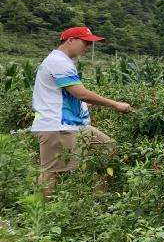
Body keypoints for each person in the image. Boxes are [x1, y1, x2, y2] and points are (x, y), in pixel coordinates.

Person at [31, 26, 133, 195]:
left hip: (75, 125)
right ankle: (40, 215)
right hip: (58, 126)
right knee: (52, 173)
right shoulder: (58, 62)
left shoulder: (63, 62)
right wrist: (115, 104)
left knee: (108, 148)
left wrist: (85, 105)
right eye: (85, 42)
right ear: (70, 40)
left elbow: (66, 95)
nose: (88, 47)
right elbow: (80, 93)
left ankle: (98, 196)